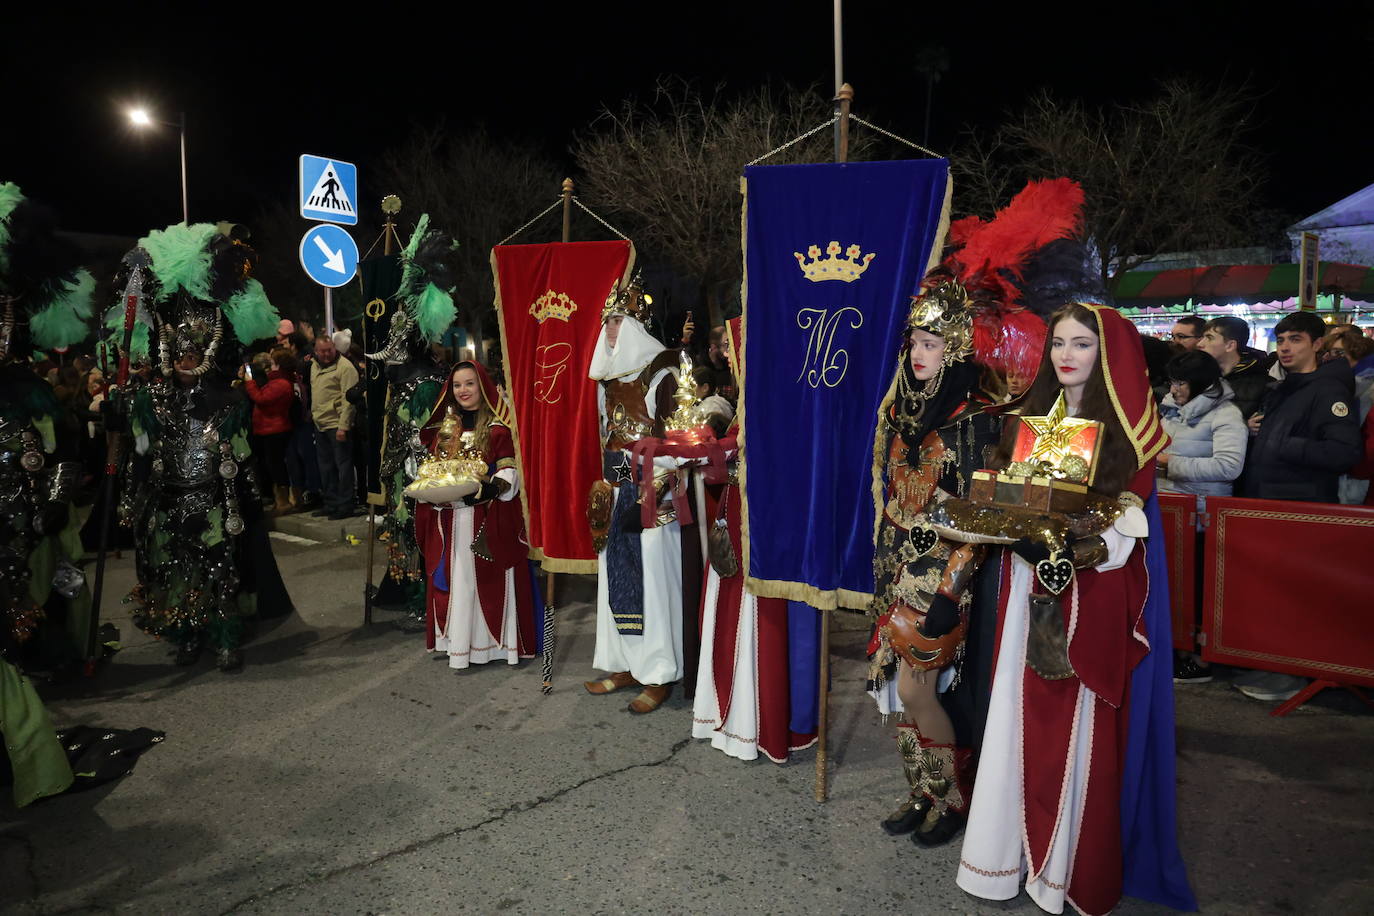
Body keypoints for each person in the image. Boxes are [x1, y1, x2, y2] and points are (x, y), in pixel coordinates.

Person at [957, 302, 1193, 916]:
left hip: (1085, 605)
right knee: (1013, 718)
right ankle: (1002, 860)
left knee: (1070, 732)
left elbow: (1125, 544)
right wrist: (1009, 528)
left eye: (1081, 343)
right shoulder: (1028, 422)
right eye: (1058, 342)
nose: (1066, 354)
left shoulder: (1131, 438)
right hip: (1024, 596)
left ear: (1108, 355)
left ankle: (1062, 872)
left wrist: (1070, 541)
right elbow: (1007, 508)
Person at [866, 275, 1006, 847]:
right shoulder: (903, 409)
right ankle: (921, 790)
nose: (919, 354)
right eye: (915, 343)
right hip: (899, 565)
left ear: (955, 347)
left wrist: (951, 591)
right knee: (903, 691)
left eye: (932, 343)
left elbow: (980, 515)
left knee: (919, 692)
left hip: (944, 573)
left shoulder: (975, 417)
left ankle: (951, 798)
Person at [1231, 311, 1362, 702]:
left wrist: (1280, 443)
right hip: (1267, 503)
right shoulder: (1284, 388)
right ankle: (1273, 665)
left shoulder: (1328, 390)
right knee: (1271, 595)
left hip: (1299, 509)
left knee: (1293, 598)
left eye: (1296, 340)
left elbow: (1344, 451)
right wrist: (1260, 430)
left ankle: (1291, 673)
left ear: (1317, 344)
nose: (1285, 347)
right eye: (1281, 339)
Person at [583, 273, 688, 714]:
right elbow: (608, 435)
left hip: (653, 493)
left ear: (634, 325)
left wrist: (652, 480)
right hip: (615, 491)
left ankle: (659, 672)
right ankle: (626, 664)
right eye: (605, 323)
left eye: (617, 321)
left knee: (654, 585)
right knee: (616, 581)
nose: (609, 330)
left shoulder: (662, 371)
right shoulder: (606, 382)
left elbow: (681, 442)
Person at [413, 361, 538, 668]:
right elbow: (433, 471)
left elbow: (510, 472)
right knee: (455, 581)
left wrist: (491, 489)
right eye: (457, 385)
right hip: (448, 520)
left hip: (484, 522)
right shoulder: (444, 430)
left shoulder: (497, 429)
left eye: (469, 384)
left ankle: (490, 647)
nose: (463, 391)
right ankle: (458, 643)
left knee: (482, 582)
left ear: (482, 386)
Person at [1157, 349, 1247, 685]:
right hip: (1169, 515)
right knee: (1175, 590)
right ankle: (1179, 650)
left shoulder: (1225, 415)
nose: (1174, 388)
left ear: (1200, 384)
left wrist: (1169, 464)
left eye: (1180, 382)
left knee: (1198, 593)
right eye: (1172, 381)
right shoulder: (1172, 410)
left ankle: (1199, 660)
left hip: (1200, 518)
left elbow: (1229, 467)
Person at [309, 334, 360, 520]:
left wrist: (343, 426)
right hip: (320, 424)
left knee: (343, 467)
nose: (326, 354)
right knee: (326, 467)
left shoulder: (345, 368)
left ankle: (345, 505)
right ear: (316, 351)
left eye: (329, 350)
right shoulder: (314, 366)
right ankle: (330, 503)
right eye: (322, 351)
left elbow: (349, 401)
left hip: (336, 425)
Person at [242, 347, 299, 515]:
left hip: (275, 429)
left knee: (276, 466)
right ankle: (279, 499)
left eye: (273, 363)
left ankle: (284, 501)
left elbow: (261, 398)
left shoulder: (281, 383)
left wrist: (249, 381)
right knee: (271, 465)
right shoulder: (274, 381)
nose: (270, 367)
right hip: (267, 429)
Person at [1198, 316, 1270, 420]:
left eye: (1209, 337)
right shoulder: (1198, 377)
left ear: (1230, 345)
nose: (1200, 344)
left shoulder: (1264, 385)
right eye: (1202, 337)